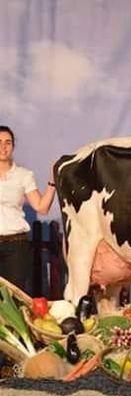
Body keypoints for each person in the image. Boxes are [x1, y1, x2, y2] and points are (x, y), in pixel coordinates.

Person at [0, 125, 56, 293]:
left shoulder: (24, 175)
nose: (3, 146)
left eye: (8, 142)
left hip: (15, 246)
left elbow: (42, 207)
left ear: (13, 147)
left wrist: (52, 182)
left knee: (14, 298)